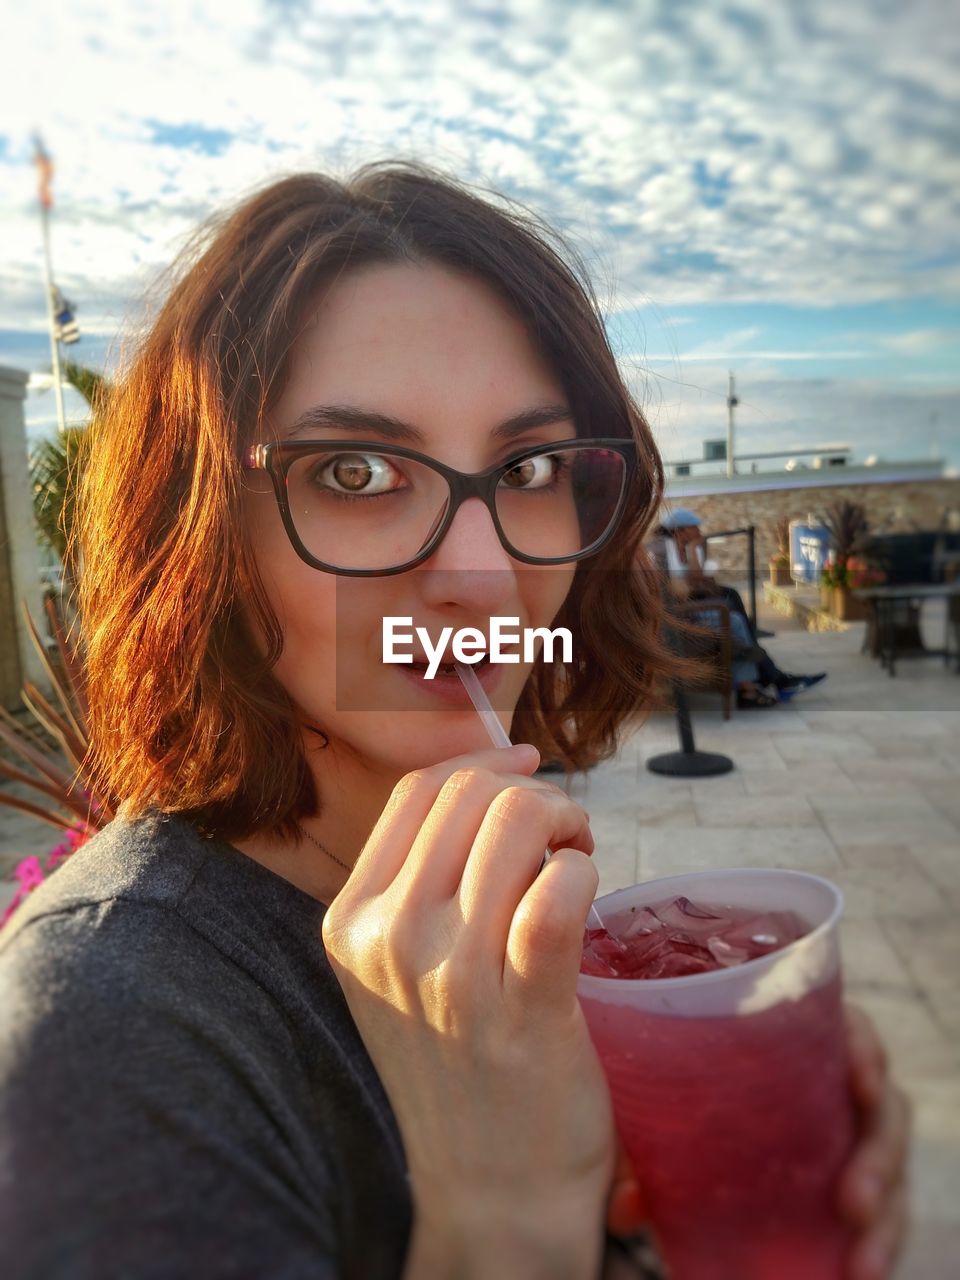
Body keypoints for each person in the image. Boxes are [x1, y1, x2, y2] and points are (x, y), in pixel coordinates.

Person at [0, 165, 908, 1279]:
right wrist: (503, 1219)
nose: (484, 577)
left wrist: (705, 1156)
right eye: (356, 469)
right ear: (209, 541)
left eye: (528, 465)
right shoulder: (111, 1038)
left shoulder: (499, 889)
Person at [650, 508, 826, 709]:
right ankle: (760, 686)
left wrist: (692, 561)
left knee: (731, 599)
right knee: (734, 622)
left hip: (689, 605)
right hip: (679, 618)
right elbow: (676, 591)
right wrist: (691, 579)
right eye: (694, 527)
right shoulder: (662, 550)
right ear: (679, 530)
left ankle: (767, 680)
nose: (699, 531)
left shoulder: (689, 547)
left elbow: (702, 581)